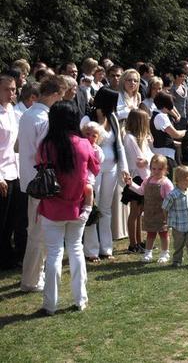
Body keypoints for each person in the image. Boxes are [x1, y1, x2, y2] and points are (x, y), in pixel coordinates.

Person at [37, 101, 100, 315]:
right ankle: (80, 299)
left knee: (54, 255)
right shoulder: (84, 144)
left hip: (52, 207)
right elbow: (95, 168)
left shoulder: (46, 145)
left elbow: (39, 165)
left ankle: (50, 304)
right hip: (78, 206)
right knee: (76, 250)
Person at [19, 75, 67, 292]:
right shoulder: (44, 119)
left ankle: (34, 275)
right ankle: (31, 279)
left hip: (30, 179)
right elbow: (45, 152)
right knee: (39, 233)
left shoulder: (27, 114)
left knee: (37, 231)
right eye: (61, 96)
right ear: (55, 94)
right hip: (42, 182)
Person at [81, 87, 130, 261]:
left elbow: (119, 145)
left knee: (106, 208)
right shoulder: (88, 119)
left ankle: (106, 248)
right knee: (92, 207)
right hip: (93, 170)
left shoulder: (112, 118)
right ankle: (91, 250)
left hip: (112, 168)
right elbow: (82, 144)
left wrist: (124, 168)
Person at [124, 155, 174, 264]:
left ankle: (165, 253)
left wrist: (171, 211)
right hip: (149, 213)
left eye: (160, 169)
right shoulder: (148, 180)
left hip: (162, 214)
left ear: (165, 169)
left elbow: (171, 198)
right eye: (154, 169)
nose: (156, 171)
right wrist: (131, 184)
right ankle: (148, 253)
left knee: (163, 234)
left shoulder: (166, 183)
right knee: (150, 234)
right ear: (150, 168)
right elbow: (141, 191)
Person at [122, 109, 153, 253]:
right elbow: (139, 159)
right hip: (136, 177)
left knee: (140, 211)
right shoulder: (129, 138)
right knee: (134, 211)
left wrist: (148, 161)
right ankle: (132, 244)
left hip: (144, 176)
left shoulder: (142, 138)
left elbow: (150, 156)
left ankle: (139, 241)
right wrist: (148, 161)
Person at [163, 165, 188, 267]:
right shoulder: (173, 195)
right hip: (178, 226)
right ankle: (177, 260)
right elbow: (165, 207)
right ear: (185, 179)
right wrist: (166, 220)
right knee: (178, 244)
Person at [0, 75, 20, 270]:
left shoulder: (12, 110)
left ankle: (7, 256)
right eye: (6, 89)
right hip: (1, 173)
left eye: (13, 89)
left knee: (11, 218)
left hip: (13, 170)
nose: (11, 93)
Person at [150, 92, 186, 173]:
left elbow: (163, 134)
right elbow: (175, 134)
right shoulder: (161, 116)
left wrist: (172, 141)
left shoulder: (156, 114)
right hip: (164, 154)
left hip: (161, 152)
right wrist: (185, 132)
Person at [170, 66, 188, 165]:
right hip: (175, 118)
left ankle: (185, 160)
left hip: (184, 118)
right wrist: (175, 116)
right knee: (177, 140)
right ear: (176, 76)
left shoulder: (184, 87)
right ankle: (177, 161)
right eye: (182, 76)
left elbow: (187, 104)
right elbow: (170, 105)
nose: (184, 78)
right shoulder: (172, 89)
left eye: (184, 76)